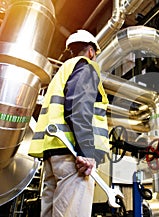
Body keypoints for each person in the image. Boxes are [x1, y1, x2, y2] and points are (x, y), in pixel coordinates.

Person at [29, 29, 109, 217]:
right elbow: (79, 107)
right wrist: (86, 152)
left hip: (53, 155)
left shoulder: (62, 73)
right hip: (73, 157)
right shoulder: (86, 66)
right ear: (91, 51)